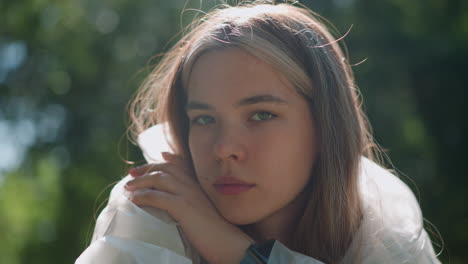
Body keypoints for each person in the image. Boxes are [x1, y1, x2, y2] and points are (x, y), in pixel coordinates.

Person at [76, 1, 441, 263]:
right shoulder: (153, 213)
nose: (224, 149)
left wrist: (238, 253)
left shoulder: (382, 229)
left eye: (261, 114)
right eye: (203, 119)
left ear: (325, 124)